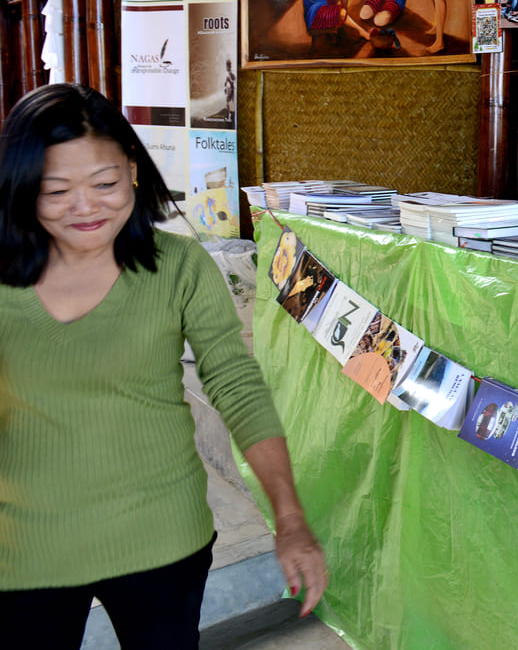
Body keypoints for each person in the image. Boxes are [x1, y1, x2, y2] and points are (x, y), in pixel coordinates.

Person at [0, 84, 328, 648]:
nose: (86, 207)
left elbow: (236, 386)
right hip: (26, 547)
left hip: (163, 537)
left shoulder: (178, 267)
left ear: (132, 169)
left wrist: (290, 516)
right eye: (56, 191)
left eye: (104, 184)